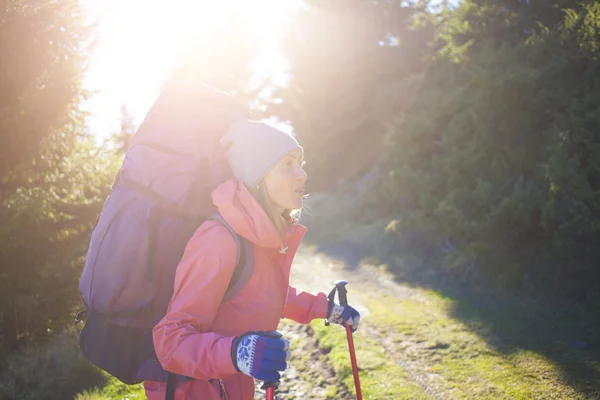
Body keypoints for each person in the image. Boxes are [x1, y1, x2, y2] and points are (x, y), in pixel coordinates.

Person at [144, 120, 361, 400]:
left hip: (228, 387)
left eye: (301, 163)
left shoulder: (257, 236)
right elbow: (170, 341)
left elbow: (262, 297)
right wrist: (238, 352)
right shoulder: (219, 239)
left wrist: (326, 308)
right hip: (194, 391)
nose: (302, 174)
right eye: (288, 164)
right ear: (259, 176)